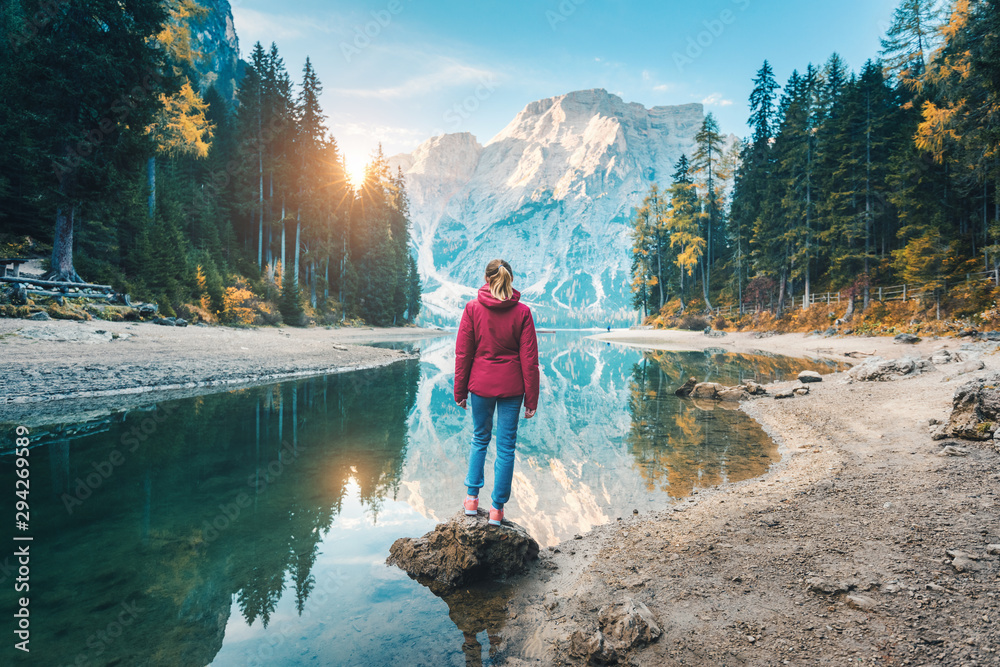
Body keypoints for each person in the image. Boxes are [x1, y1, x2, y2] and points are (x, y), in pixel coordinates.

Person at [454, 259, 539, 527]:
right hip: (512, 389)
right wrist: (531, 399)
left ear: (486, 278)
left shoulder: (472, 309)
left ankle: (471, 500)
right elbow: (529, 360)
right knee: (505, 448)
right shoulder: (523, 312)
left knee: (480, 438)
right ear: (510, 280)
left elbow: (463, 353)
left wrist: (460, 391)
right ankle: (496, 511)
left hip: (480, 385)